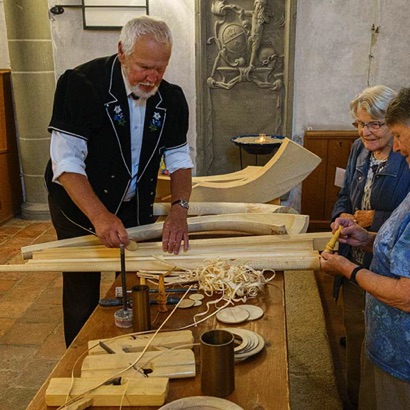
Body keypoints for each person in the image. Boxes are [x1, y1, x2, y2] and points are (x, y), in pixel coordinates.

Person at [45, 16, 193, 347]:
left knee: (132, 284)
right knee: (82, 290)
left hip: (132, 203)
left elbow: (179, 158)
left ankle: (130, 349)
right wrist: (99, 215)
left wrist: (179, 208)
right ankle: (79, 358)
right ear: (122, 52)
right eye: (144, 67)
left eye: (161, 68)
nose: (152, 78)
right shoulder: (82, 84)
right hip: (79, 204)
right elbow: (66, 162)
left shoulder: (171, 99)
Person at [321, 86, 410, 410]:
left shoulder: (404, 158)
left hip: (400, 348)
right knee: (358, 341)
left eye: (375, 124)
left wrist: (349, 267)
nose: (366, 131)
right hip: (364, 269)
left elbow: (405, 295)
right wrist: (357, 231)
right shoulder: (359, 149)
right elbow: (346, 193)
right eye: (360, 124)